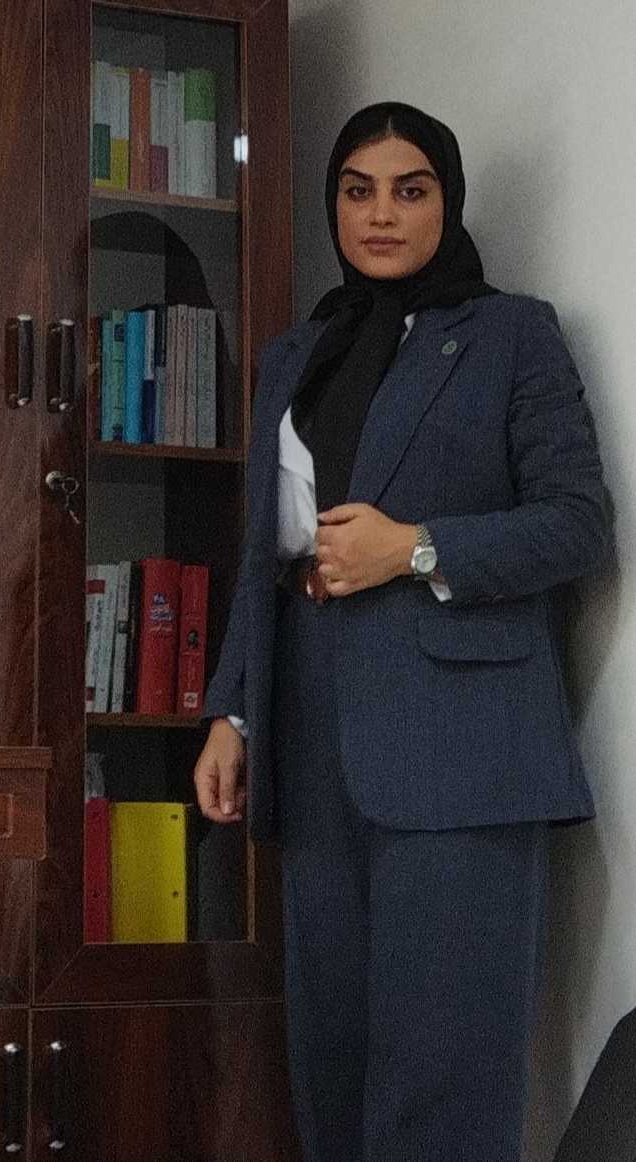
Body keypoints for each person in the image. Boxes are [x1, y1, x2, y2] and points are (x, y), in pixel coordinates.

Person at [193, 102, 609, 1162]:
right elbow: (266, 550)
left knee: (443, 1081)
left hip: (463, 749)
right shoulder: (295, 356)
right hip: (311, 740)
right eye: (357, 191)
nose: (380, 214)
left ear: (446, 203)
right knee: (330, 1070)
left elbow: (576, 523)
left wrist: (415, 548)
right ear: (332, 205)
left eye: (409, 190)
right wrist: (234, 709)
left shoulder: (511, 334)